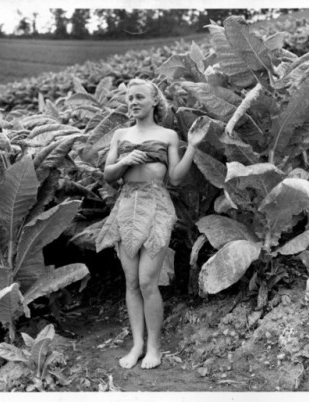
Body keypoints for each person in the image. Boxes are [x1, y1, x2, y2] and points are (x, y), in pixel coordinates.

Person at [96, 78, 203, 369]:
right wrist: (125, 160)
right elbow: (108, 175)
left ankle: (154, 347)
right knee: (131, 281)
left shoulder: (168, 135)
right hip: (126, 205)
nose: (133, 102)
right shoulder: (120, 134)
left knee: (147, 281)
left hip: (156, 204)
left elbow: (177, 177)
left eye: (140, 97)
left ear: (154, 101)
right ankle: (138, 345)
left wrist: (191, 147)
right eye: (130, 98)